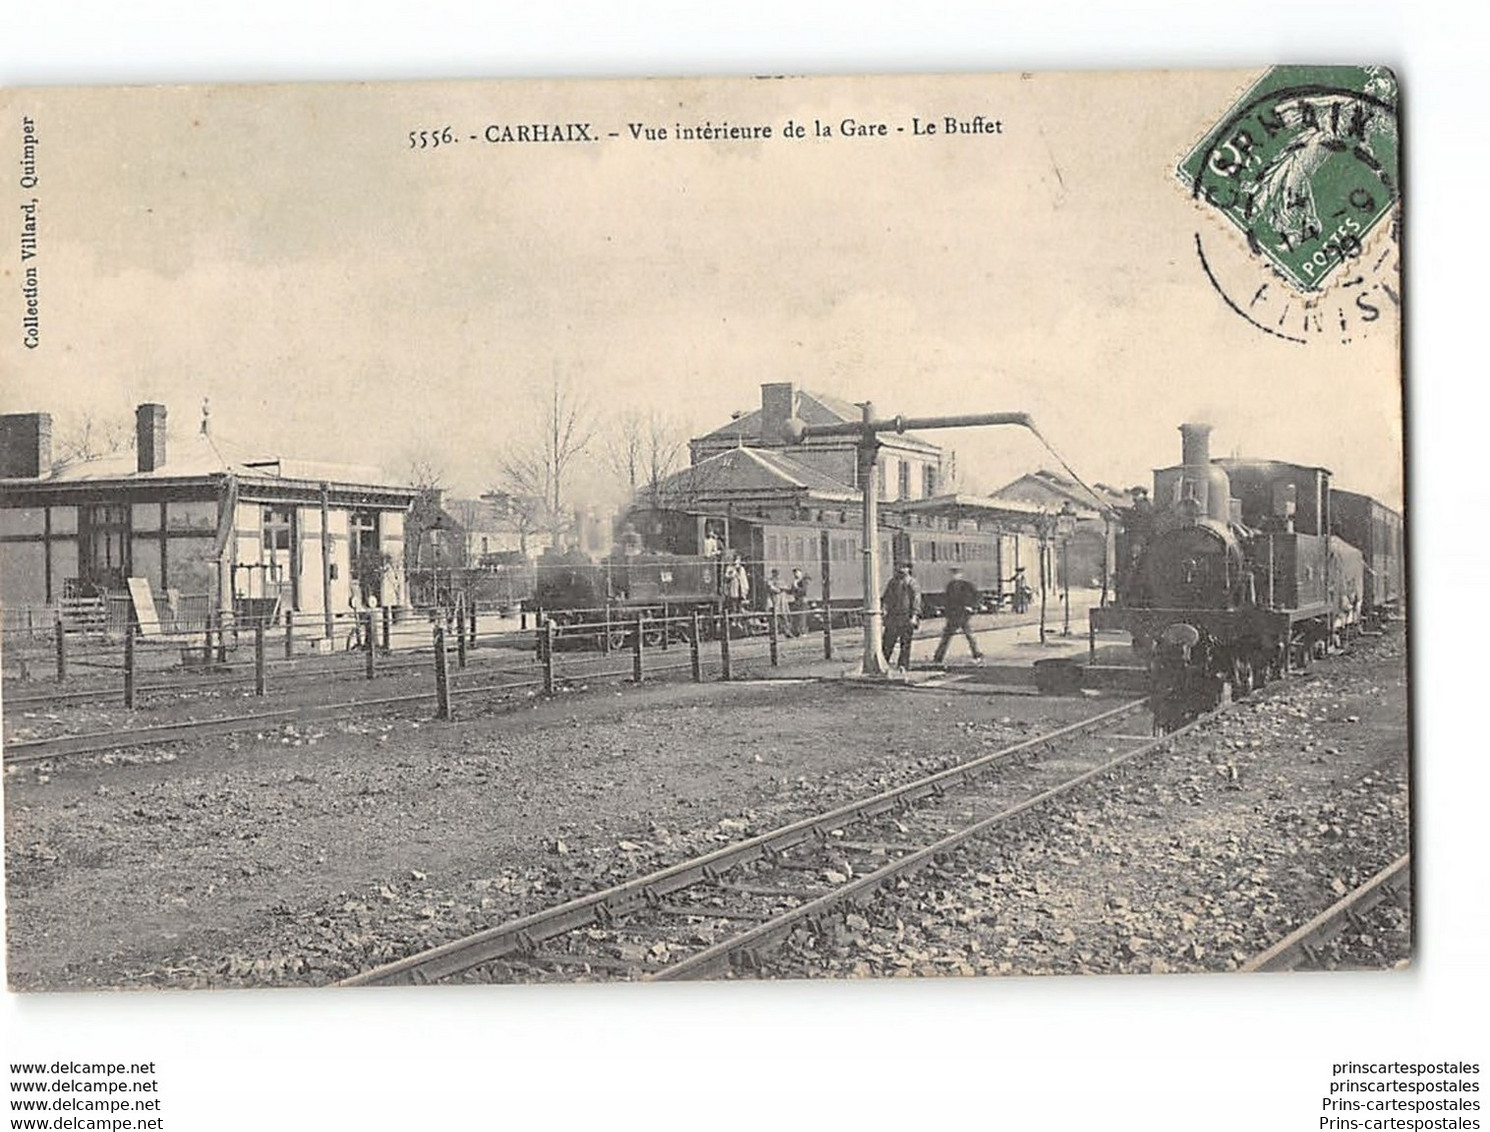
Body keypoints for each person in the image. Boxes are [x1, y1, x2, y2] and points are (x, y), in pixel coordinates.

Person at [933, 566, 984, 665]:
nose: (954, 576)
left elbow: (977, 596)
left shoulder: (967, 585)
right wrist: (945, 612)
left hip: (963, 615)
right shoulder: (950, 586)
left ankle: (977, 654)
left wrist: (971, 606)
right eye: (953, 574)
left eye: (956, 574)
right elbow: (947, 600)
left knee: (969, 636)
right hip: (953, 615)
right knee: (947, 637)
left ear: (961, 575)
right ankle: (938, 657)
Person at [880, 562, 922, 670]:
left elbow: (916, 600)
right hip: (893, 617)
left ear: (908, 569)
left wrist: (914, 616)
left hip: (906, 617)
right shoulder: (892, 582)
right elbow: (886, 598)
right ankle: (883, 663)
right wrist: (884, 609)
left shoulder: (912, 583)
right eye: (899, 567)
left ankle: (903, 665)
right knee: (887, 642)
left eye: (904, 567)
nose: (901, 569)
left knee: (905, 643)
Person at [767, 568, 794, 637]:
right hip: (776, 600)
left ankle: (787, 631)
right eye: (775, 573)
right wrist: (778, 589)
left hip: (783, 601)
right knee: (776, 616)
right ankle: (775, 632)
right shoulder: (770, 580)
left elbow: (787, 587)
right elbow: (772, 588)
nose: (777, 575)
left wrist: (782, 588)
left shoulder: (781, 580)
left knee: (785, 616)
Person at [790, 567, 810, 637]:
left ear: (800, 573)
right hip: (796, 601)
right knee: (796, 617)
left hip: (802, 601)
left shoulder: (803, 581)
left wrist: (796, 587)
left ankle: (803, 632)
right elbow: (792, 591)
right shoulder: (795, 581)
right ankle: (796, 632)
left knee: (802, 617)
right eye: (794, 573)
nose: (795, 574)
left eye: (797, 572)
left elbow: (804, 591)